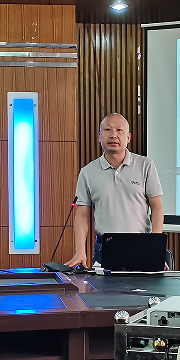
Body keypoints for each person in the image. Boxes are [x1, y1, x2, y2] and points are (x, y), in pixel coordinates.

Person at [65, 113, 164, 268]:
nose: (113, 135)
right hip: (104, 247)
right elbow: (82, 214)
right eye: (108, 130)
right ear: (100, 136)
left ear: (128, 137)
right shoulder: (87, 172)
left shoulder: (145, 165)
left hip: (141, 245)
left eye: (119, 130)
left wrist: (154, 248)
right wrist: (80, 251)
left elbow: (157, 207)